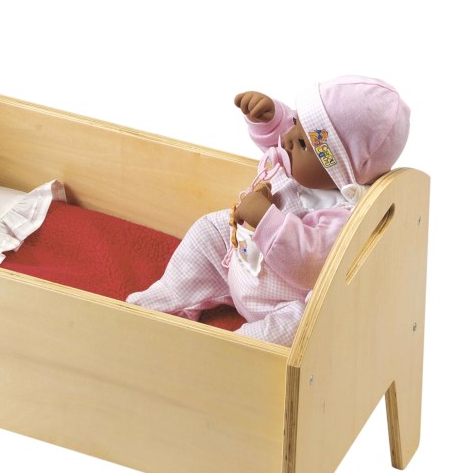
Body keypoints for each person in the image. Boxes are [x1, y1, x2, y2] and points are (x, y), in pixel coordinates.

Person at [126, 75, 411, 346]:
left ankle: (233, 347)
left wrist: (265, 218)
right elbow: (295, 136)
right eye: (297, 122)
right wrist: (271, 119)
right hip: (238, 260)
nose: (287, 139)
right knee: (208, 231)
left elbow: (308, 263)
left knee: (301, 326)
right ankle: (168, 296)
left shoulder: (342, 215)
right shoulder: (303, 163)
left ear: (339, 173)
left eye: (302, 142)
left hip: (280, 300)